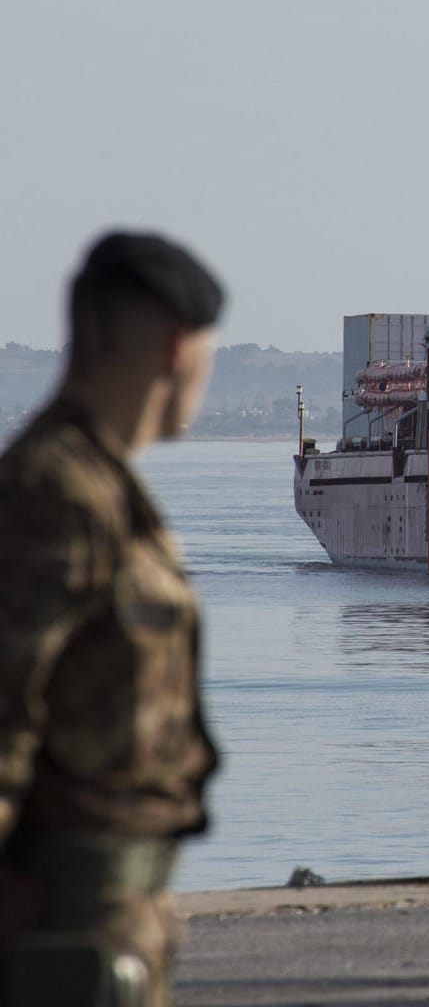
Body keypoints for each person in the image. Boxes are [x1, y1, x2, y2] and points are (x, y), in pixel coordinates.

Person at [0, 232, 224, 1007]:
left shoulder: (102, 488)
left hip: (115, 920)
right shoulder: (52, 494)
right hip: (53, 925)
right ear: (177, 348)